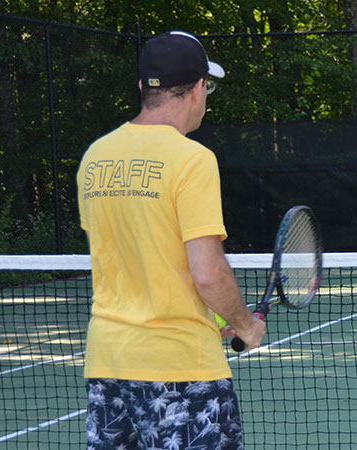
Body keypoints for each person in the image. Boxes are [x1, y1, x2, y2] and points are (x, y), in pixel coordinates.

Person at [76, 30, 265, 449]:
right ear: (198, 88)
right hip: (180, 370)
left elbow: (132, 256)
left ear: (142, 87)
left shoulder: (94, 158)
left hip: (108, 363)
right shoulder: (193, 159)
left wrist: (204, 317)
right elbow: (208, 272)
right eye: (208, 87)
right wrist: (244, 325)